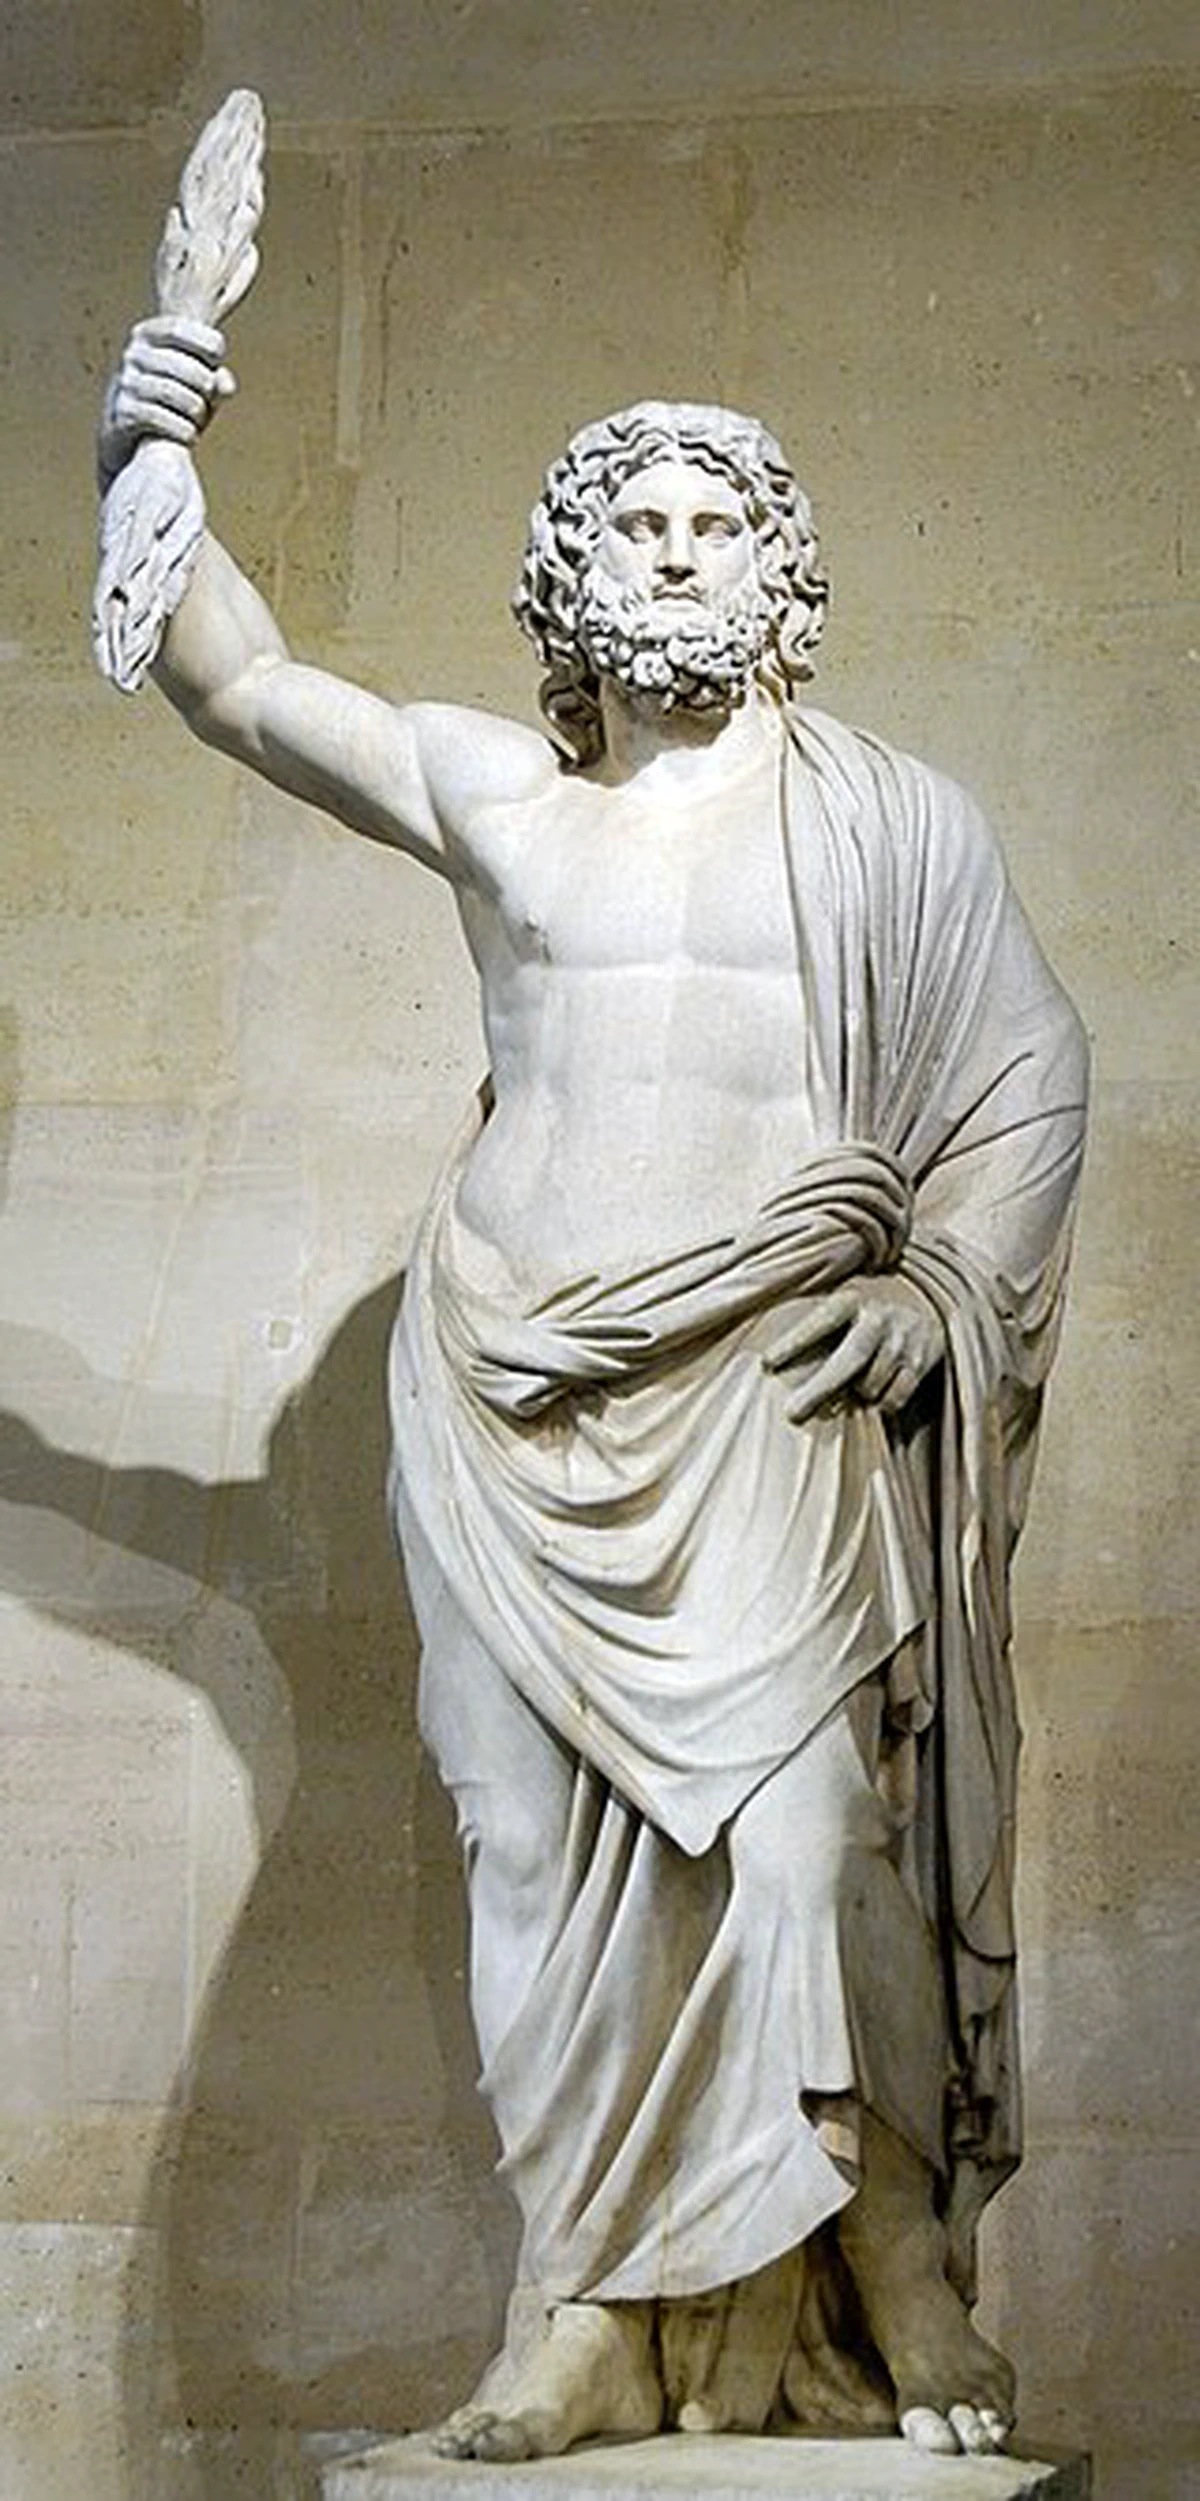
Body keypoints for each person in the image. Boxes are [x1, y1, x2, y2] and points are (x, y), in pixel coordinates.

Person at [97, 321, 1088, 2463]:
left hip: (764, 1394)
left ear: (778, 570)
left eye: (718, 520)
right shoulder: (504, 796)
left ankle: (892, 2252)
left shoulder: (889, 824)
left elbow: (1027, 1074)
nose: (678, 549)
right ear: (573, 572)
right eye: (635, 521)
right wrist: (148, 451)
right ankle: (576, 2302)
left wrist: (940, 1290)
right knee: (523, 1852)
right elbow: (245, 688)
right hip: (505, 1395)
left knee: (816, 1831)